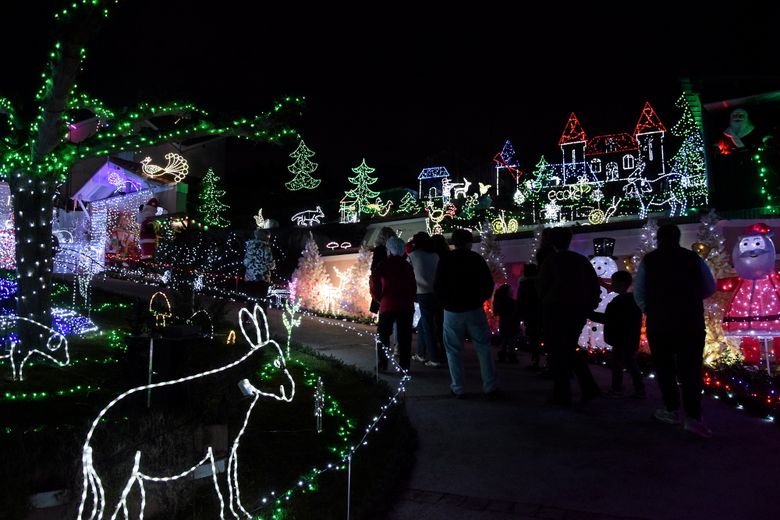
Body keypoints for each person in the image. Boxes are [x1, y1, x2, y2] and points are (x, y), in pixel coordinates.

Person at [633, 223, 717, 438]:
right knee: (690, 370)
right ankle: (693, 417)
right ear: (678, 238)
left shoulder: (649, 260)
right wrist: (691, 300)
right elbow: (709, 287)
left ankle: (671, 410)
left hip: (660, 323)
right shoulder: (692, 258)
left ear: (658, 239)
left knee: (665, 369)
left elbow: (639, 291)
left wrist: (650, 309)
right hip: (690, 322)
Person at [537, 226, 601, 405]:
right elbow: (593, 285)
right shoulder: (580, 260)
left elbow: (542, 287)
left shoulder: (550, 261)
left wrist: (545, 302)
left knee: (559, 351)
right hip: (577, 310)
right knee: (569, 348)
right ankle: (587, 387)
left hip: (555, 310)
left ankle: (563, 393)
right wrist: (589, 305)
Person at [433, 228, 498, 399]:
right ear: (470, 243)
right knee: (483, 347)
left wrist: (445, 303)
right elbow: (488, 283)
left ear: (453, 243)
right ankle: (490, 386)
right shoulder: (476, 258)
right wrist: (480, 299)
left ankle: (458, 388)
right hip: (474, 308)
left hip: (452, 310)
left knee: (453, 350)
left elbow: (438, 285)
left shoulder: (445, 260)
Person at [591, 270, 645, 399]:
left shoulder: (620, 301)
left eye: (614, 282)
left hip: (621, 338)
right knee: (628, 363)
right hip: (628, 337)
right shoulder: (631, 299)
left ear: (621, 283)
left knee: (620, 364)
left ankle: (619, 389)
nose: (612, 284)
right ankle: (637, 389)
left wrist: (589, 314)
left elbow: (609, 318)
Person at [713, 107, 778, 210]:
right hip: (732, 169)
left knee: (755, 193)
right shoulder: (725, 135)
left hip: (753, 167)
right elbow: (719, 149)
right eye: (735, 116)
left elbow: (764, 144)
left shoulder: (755, 131)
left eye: (740, 115)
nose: (737, 118)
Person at [369, 236, 416, 373]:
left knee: (383, 335)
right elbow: (413, 285)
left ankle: (383, 364)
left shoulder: (383, 265)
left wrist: (379, 298)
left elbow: (374, 282)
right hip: (406, 305)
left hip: (388, 304)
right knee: (404, 337)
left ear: (389, 250)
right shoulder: (407, 266)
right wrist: (411, 297)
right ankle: (404, 366)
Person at [408, 231, 442, 367]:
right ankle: (420, 354)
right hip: (436, 292)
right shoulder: (435, 255)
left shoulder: (412, 256)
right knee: (424, 324)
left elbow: (408, 273)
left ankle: (433, 358)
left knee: (427, 325)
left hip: (422, 293)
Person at [516, 263, 542, 371]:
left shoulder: (524, 285)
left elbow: (520, 301)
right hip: (541, 314)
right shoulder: (540, 283)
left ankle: (535, 361)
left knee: (534, 339)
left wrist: (520, 315)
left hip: (530, 315)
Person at [243, 227, 275, 307]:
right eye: (268, 237)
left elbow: (246, 262)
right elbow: (270, 264)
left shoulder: (250, 247)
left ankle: (247, 318)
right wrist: (272, 265)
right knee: (262, 302)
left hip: (250, 278)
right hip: (262, 278)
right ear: (264, 237)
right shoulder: (266, 248)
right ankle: (261, 318)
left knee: (250, 301)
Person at [492, 283, 518, 363]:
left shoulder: (500, 301)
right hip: (511, 323)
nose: (513, 291)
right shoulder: (511, 302)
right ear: (507, 292)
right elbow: (515, 313)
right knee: (511, 340)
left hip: (503, 323)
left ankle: (502, 357)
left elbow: (497, 312)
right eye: (511, 290)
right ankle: (511, 357)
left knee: (504, 340)